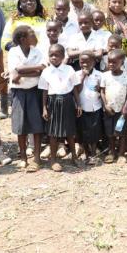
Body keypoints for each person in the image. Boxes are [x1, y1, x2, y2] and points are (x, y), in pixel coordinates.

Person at [7, 25, 45, 172]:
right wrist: (29, 70)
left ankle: (36, 157)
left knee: (37, 126)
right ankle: (23, 157)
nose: (34, 37)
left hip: (35, 91)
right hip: (19, 92)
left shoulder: (37, 51)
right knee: (20, 126)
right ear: (22, 39)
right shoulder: (13, 52)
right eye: (31, 34)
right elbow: (16, 69)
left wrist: (20, 72)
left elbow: (41, 70)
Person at [39, 44, 80, 172]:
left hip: (67, 101)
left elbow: (75, 89)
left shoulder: (69, 70)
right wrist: (44, 108)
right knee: (53, 132)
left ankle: (74, 156)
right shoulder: (46, 72)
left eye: (57, 55)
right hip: (53, 102)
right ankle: (53, 160)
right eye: (51, 55)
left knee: (70, 131)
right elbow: (44, 91)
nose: (54, 58)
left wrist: (78, 104)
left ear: (63, 56)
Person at [100, 49, 127, 163]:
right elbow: (102, 92)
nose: (111, 64)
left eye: (114, 62)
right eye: (109, 62)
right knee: (110, 133)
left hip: (121, 110)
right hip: (109, 109)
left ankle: (121, 154)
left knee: (122, 132)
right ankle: (112, 152)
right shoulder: (105, 76)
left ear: (122, 63)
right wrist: (105, 106)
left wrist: (125, 107)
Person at [74, 51, 103, 165]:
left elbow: (102, 90)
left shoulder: (99, 75)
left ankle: (93, 154)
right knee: (83, 132)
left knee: (95, 132)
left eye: (87, 62)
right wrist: (83, 76)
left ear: (94, 62)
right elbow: (77, 90)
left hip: (95, 107)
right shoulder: (77, 75)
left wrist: (99, 89)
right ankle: (86, 153)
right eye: (82, 62)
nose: (85, 64)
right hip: (82, 108)